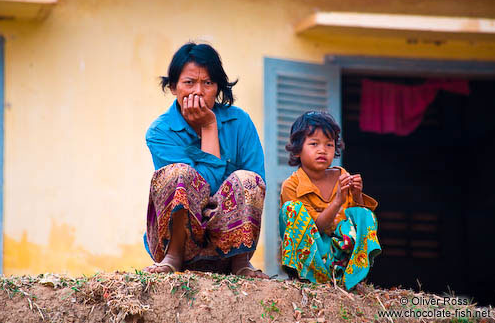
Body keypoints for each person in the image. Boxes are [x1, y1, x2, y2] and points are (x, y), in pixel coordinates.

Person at [143, 42, 268, 278]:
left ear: (218, 87)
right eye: (189, 83)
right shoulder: (160, 132)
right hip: (181, 237)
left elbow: (258, 182)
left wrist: (210, 126)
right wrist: (209, 127)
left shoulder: (240, 122)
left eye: (208, 83)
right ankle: (173, 257)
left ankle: (240, 263)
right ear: (173, 87)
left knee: (249, 179)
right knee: (177, 173)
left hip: (227, 246)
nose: (198, 92)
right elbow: (199, 188)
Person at [279, 111, 381, 290]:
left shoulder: (342, 176)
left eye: (329, 144)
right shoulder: (292, 185)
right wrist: (336, 202)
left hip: (339, 255)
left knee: (364, 214)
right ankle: (306, 278)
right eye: (314, 144)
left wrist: (356, 195)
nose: (322, 150)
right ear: (297, 150)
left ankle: (352, 277)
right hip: (312, 254)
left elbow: (355, 222)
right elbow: (314, 229)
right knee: (291, 208)